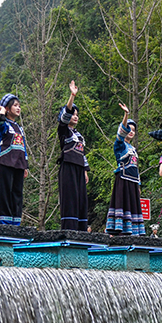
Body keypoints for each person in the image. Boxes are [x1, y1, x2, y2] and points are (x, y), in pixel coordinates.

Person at [105, 103, 143, 235]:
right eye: (129, 129)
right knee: (123, 204)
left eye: (133, 130)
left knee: (133, 205)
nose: (131, 132)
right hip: (123, 179)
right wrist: (126, 115)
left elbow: (136, 168)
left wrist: (138, 184)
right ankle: (119, 230)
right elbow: (120, 134)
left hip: (133, 181)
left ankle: (133, 231)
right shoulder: (120, 145)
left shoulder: (133, 149)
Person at [57, 81, 89, 231]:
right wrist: (72, 96)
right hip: (68, 166)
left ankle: (82, 229)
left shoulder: (79, 135)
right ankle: (69, 229)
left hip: (79, 168)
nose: (75, 117)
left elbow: (82, 153)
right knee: (70, 198)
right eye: (73, 114)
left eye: (77, 115)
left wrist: (85, 170)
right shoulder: (63, 130)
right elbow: (65, 115)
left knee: (81, 198)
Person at [0, 93, 29, 225]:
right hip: (5, 161)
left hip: (19, 164)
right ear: (8, 108)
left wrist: (25, 165)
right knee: (4, 192)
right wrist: (2, 110)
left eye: (19, 106)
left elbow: (23, 147)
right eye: (15, 106)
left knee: (17, 193)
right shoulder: (4, 125)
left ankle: (16, 222)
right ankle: (4, 222)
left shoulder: (19, 127)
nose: (18, 108)